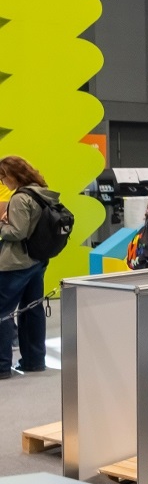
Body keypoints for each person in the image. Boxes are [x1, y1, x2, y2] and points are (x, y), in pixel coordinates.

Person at [0, 156, 58, 378]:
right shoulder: (42, 193)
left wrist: (1, 224)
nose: (3, 182)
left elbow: (17, 233)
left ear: (13, 175)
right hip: (37, 261)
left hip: (15, 263)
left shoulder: (20, 198)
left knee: (3, 313)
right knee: (32, 310)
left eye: (3, 177)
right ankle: (34, 361)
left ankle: (2, 365)